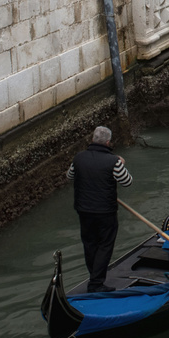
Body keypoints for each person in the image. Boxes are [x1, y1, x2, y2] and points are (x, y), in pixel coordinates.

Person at [66, 125, 133, 293]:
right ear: (108, 142)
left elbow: (70, 176)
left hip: (84, 210)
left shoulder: (79, 158)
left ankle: (94, 277)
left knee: (89, 244)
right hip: (105, 212)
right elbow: (127, 182)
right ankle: (96, 283)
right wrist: (121, 164)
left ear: (92, 140)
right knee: (104, 245)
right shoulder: (114, 162)